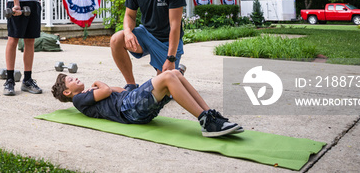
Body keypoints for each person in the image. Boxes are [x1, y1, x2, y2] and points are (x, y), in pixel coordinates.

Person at [51, 71, 243, 137]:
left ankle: (209, 115)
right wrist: (97, 84)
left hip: (130, 103)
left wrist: (99, 88)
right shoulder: (78, 99)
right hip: (129, 110)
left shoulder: (86, 96)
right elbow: (108, 90)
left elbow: (120, 91)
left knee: (175, 73)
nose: (75, 79)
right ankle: (205, 122)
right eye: (71, 80)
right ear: (67, 92)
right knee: (167, 76)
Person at [110, 0, 186, 90]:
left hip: (166, 41)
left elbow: (175, 26)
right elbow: (129, 16)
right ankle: (131, 85)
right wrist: (127, 32)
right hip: (146, 34)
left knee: (161, 91)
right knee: (116, 39)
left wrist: (171, 58)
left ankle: (177, 71)